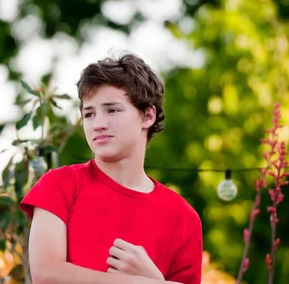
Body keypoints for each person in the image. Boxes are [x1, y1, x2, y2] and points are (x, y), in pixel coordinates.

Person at [20, 53, 202, 284]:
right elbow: (47, 276)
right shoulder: (59, 185)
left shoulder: (183, 218)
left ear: (147, 115)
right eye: (89, 114)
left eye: (112, 110)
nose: (98, 124)